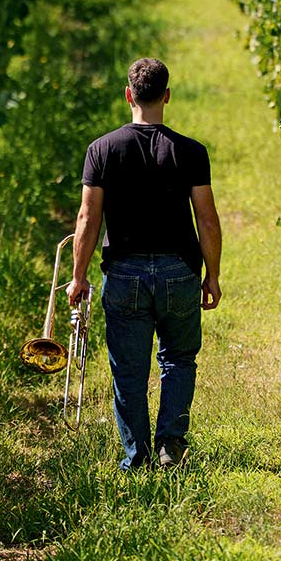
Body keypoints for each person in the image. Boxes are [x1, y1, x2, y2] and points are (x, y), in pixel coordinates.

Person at [66, 58, 222, 470]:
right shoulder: (191, 152)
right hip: (178, 272)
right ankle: (170, 445)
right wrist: (213, 275)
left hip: (125, 274)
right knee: (179, 359)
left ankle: (136, 458)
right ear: (166, 96)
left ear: (128, 95)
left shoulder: (101, 150)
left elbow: (87, 218)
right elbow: (207, 219)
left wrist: (78, 276)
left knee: (128, 372)